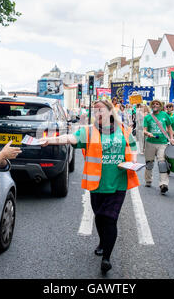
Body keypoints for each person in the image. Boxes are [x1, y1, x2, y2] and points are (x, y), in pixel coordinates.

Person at [39, 99, 139, 274]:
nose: (98, 113)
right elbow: (70, 138)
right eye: (95, 110)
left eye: (101, 109)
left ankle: (107, 257)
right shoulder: (89, 132)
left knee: (110, 219)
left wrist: (134, 161)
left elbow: (133, 146)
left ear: (110, 111)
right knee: (99, 217)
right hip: (97, 184)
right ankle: (102, 241)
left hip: (118, 183)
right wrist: (51, 140)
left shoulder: (123, 129)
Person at [143, 99, 174, 195]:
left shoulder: (165, 115)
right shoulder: (148, 117)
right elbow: (144, 130)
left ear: (160, 106)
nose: (155, 105)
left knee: (162, 163)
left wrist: (171, 138)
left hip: (162, 143)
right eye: (153, 104)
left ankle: (163, 184)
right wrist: (147, 133)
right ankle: (148, 180)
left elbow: (169, 127)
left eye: (157, 104)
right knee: (149, 163)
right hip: (150, 143)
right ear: (151, 106)